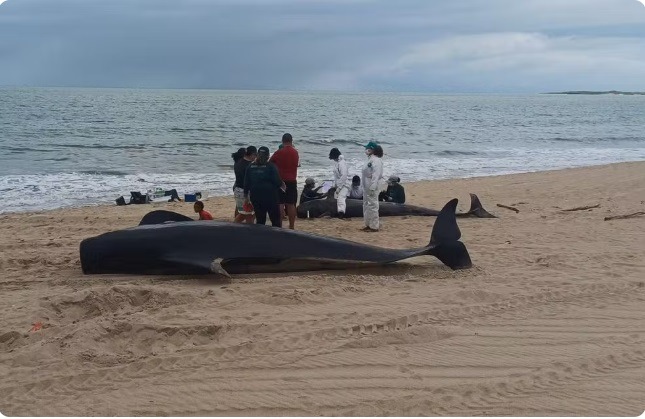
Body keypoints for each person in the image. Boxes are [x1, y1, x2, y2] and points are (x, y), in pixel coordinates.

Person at [244, 146, 284, 227]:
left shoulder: (250, 167)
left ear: (257, 155)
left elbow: (246, 183)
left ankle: (260, 237)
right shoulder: (271, 166)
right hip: (270, 197)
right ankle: (276, 238)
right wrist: (282, 185)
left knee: (260, 220)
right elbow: (277, 181)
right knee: (275, 220)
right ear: (268, 156)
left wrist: (246, 197)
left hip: (256, 197)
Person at [269, 133, 299, 229]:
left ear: (282, 141)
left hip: (280, 180)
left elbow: (270, 162)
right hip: (292, 180)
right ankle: (292, 226)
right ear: (291, 140)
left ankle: (280, 225)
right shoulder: (295, 152)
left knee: (280, 203)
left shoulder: (279, 152)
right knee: (291, 204)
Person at [361, 142, 384, 232]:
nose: (366, 150)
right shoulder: (369, 159)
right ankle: (368, 224)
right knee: (366, 204)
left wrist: (372, 187)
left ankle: (374, 226)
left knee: (373, 205)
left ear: (372, 150)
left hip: (371, 184)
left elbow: (376, 175)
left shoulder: (376, 160)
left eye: (367, 148)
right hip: (366, 184)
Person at [233, 146, 257, 223]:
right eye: (255, 155)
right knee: (250, 214)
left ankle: (234, 227)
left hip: (238, 190)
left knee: (243, 213)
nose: (256, 157)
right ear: (252, 154)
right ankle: (249, 231)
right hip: (246, 192)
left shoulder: (238, 163)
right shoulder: (250, 166)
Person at [329, 147, 349, 218]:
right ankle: (337, 211)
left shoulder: (342, 163)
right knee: (336, 197)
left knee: (341, 197)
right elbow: (337, 177)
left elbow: (344, 176)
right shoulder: (337, 163)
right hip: (340, 184)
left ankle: (341, 213)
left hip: (344, 184)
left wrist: (339, 187)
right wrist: (335, 185)